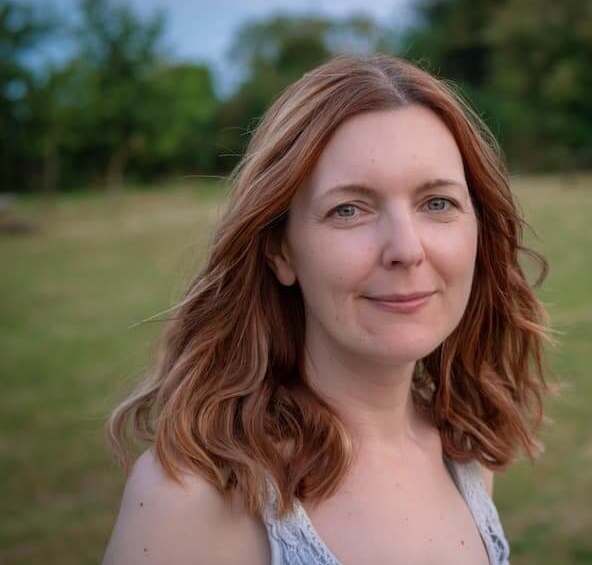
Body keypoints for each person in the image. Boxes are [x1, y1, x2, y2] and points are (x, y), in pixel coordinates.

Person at [102, 53, 555, 565]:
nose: (406, 249)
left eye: (437, 203)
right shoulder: (194, 498)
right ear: (281, 250)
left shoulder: (463, 450)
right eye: (349, 210)